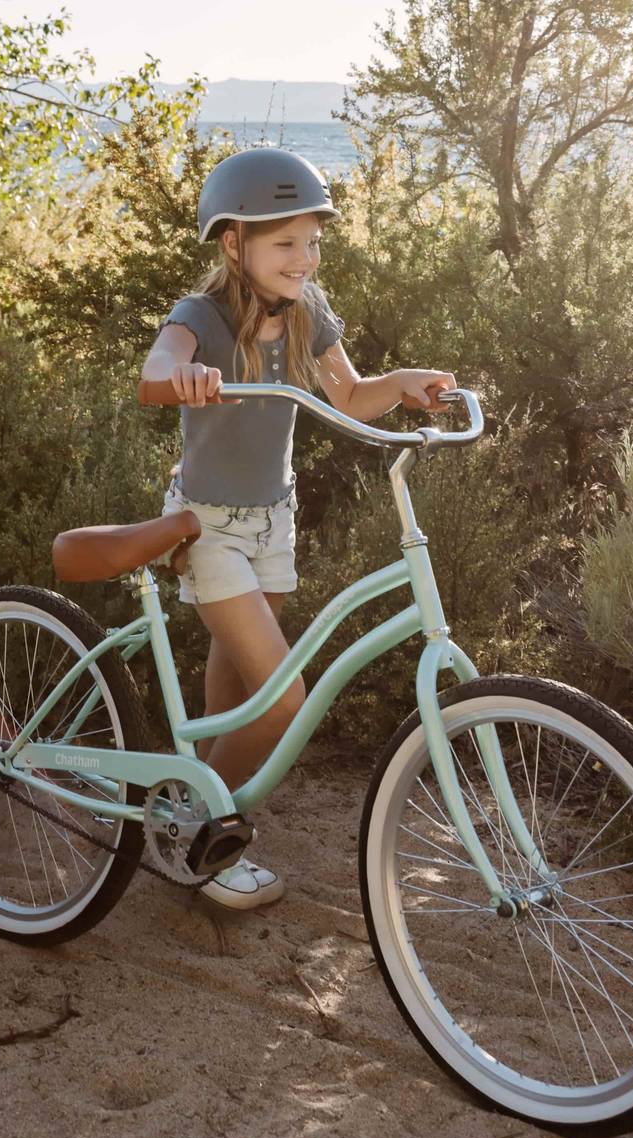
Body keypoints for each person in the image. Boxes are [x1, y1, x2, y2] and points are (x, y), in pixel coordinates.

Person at [140, 147, 455, 910]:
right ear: (232, 243)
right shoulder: (202, 317)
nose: (304, 258)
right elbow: (156, 367)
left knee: (242, 679)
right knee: (282, 700)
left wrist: (403, 383)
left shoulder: (308, 313)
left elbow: (348, 396)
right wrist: (182, 376)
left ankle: (192, 822)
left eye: (313, 242)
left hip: (274, 520)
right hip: (206, 525)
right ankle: (205, 822)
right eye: (285, 244)